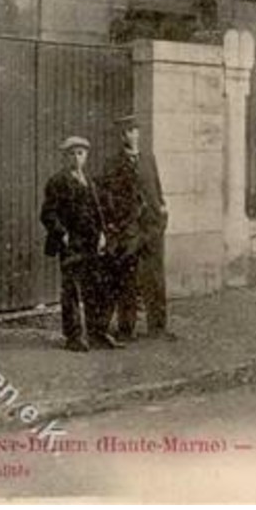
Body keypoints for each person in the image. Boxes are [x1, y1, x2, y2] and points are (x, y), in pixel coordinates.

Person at [40, 136, 122, 352]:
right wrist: (62, 234)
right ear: (65, 157)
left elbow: (99, 211)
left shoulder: (91, 182)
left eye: (81, 153)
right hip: (72, 243)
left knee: (96, 287)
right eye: (72, 154)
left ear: (86, 156)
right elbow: (48, 214)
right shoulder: (57, 181)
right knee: (72, 290)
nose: (77, 158)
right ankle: (73, 336)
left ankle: (97, 333)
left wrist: (103, 233)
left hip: (92, 241)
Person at [101, 115, 176, 341]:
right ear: (120, 136)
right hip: (130, 227)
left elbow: (156, 186)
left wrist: (161, 207)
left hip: (152, 225)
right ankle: (127, 328)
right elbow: (108, 196)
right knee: (128, 276)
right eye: (126, 132)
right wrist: (118, 222)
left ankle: (158, 327)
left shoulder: (147, 159)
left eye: (134, 131)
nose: (131, 136)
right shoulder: (113, 163)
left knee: (154, 276)